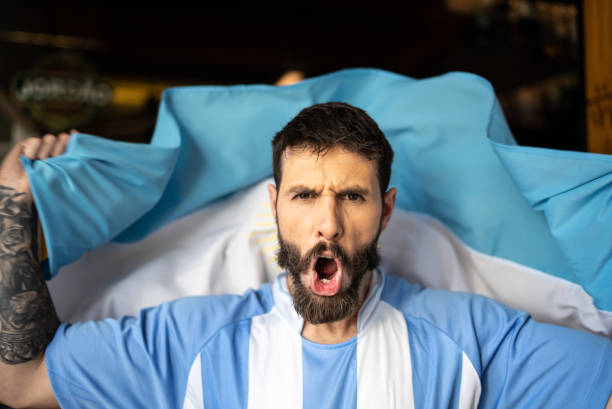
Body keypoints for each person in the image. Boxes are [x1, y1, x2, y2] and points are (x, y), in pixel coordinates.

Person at [0, 103, 610, 408]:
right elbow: (20, 383)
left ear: (387, 210)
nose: (328, 224)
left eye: (352, 195)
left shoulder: (473, 337)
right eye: (304, 195)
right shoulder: (191, 343)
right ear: (274, 206)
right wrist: (12, 205)